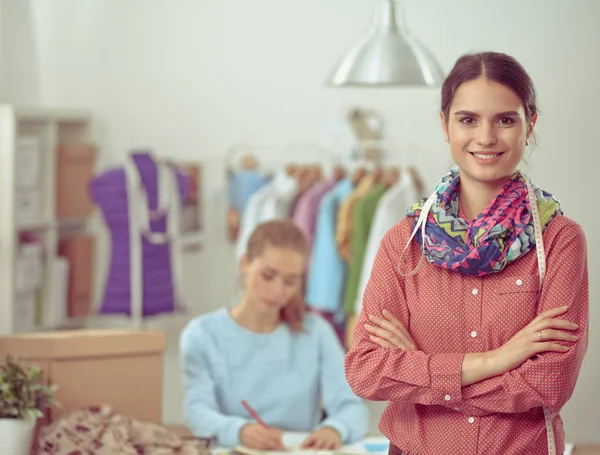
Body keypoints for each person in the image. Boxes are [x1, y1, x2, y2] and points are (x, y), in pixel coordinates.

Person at [345, 51, 588, 455]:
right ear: (445, 124)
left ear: (530, 126)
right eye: (468, 119)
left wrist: (421, 370)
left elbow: (550, 383)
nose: (486, 137)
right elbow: (365, 370)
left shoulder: (560, 241)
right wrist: (499, 359)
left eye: (505, 120)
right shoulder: (403, 243)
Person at [180, 219, 369, 450]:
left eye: (291, 281)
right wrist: (237, 430)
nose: (278, 291)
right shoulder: (202, 335)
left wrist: (335, 428)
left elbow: (352, 407)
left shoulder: (316, 332)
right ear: (245, 264)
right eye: (267, 276)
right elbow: (197, 411)